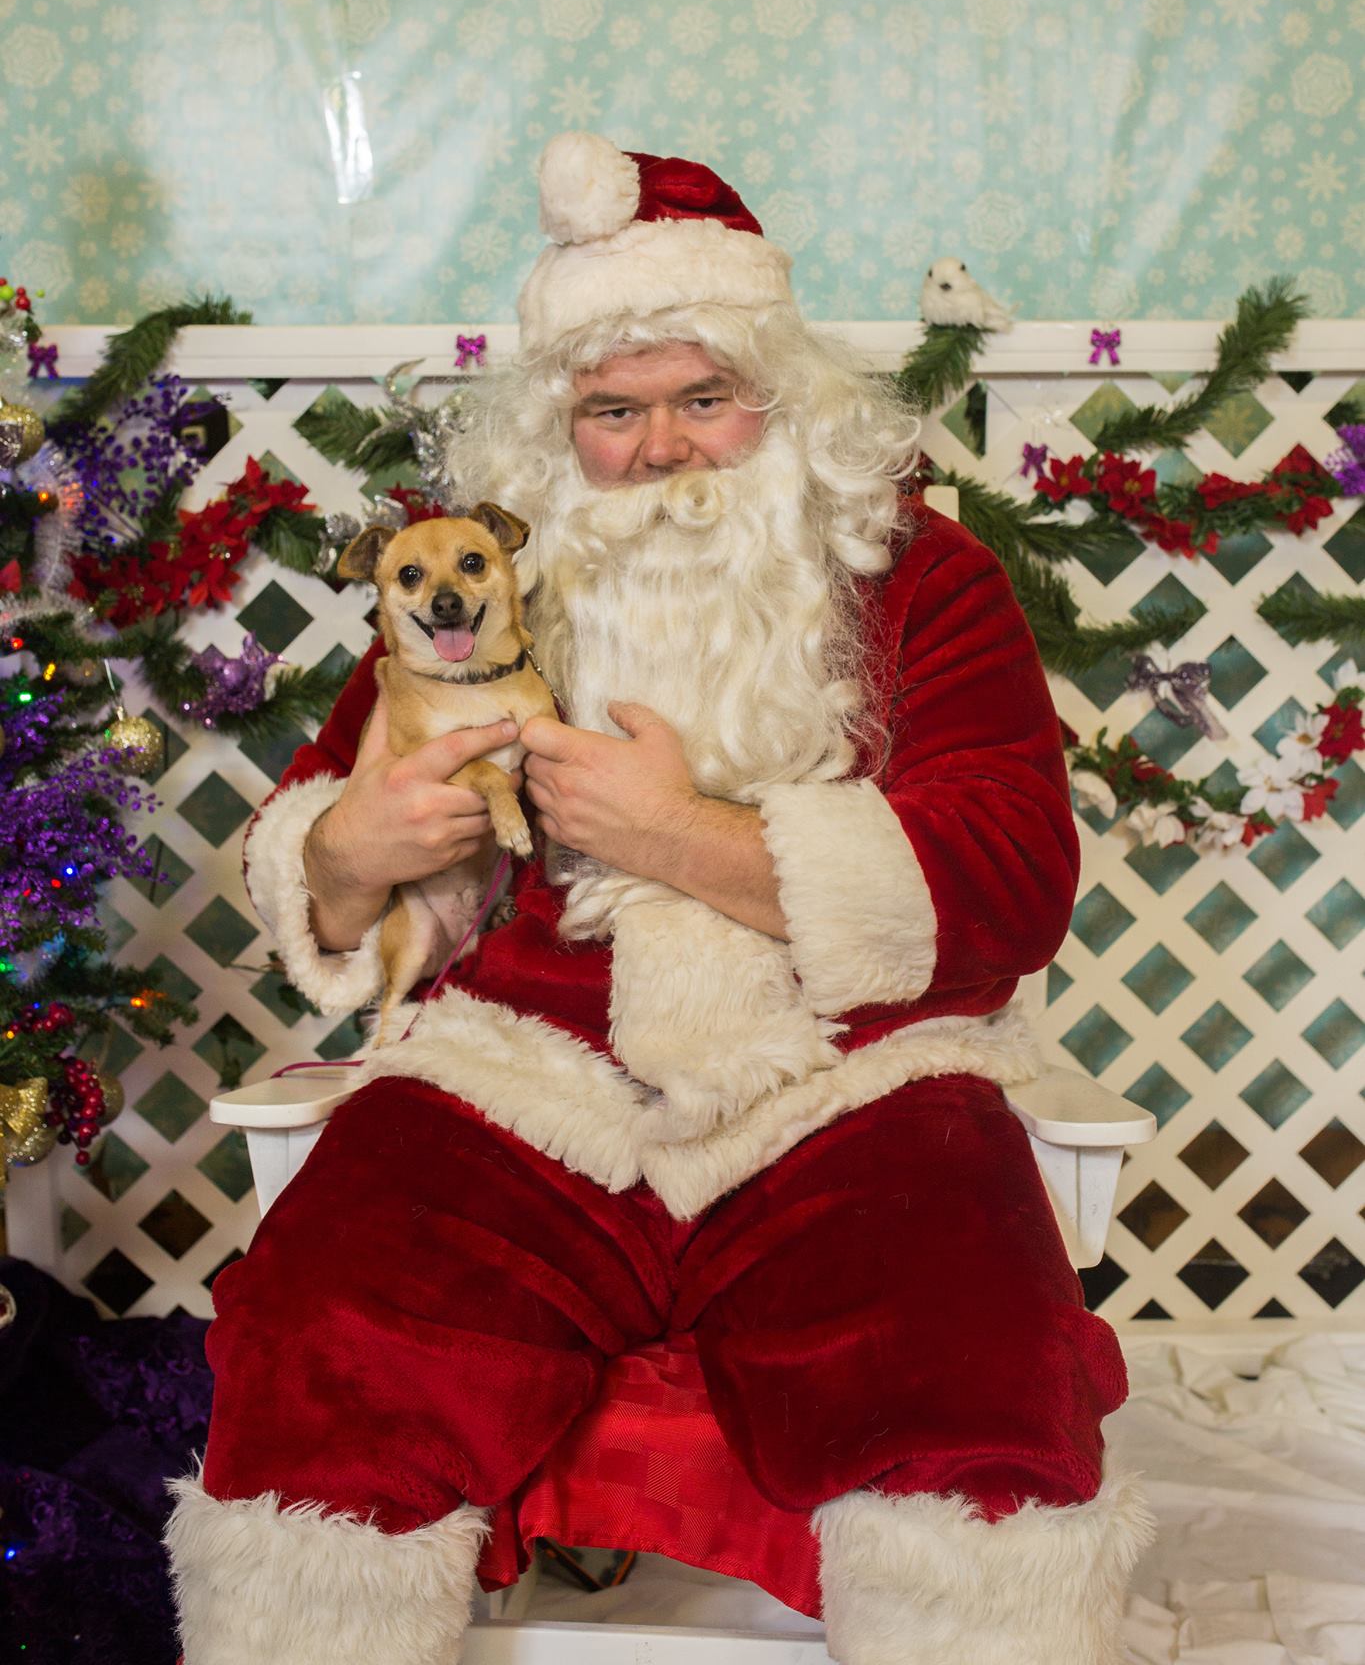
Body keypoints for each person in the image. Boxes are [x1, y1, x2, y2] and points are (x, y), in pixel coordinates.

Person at [166, 134, 1151, 1664]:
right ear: (557, 432)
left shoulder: (922, 580)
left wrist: (678, 835)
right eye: (613, 412)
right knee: (326, 1335)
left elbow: (1010, 880)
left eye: (706, 397)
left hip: (852, 1083)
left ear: (783, 399)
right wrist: (351, 847)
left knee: (970, 1363)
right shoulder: (479, 591)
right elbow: (323, 873)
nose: (665, 450)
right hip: (518, 1085)